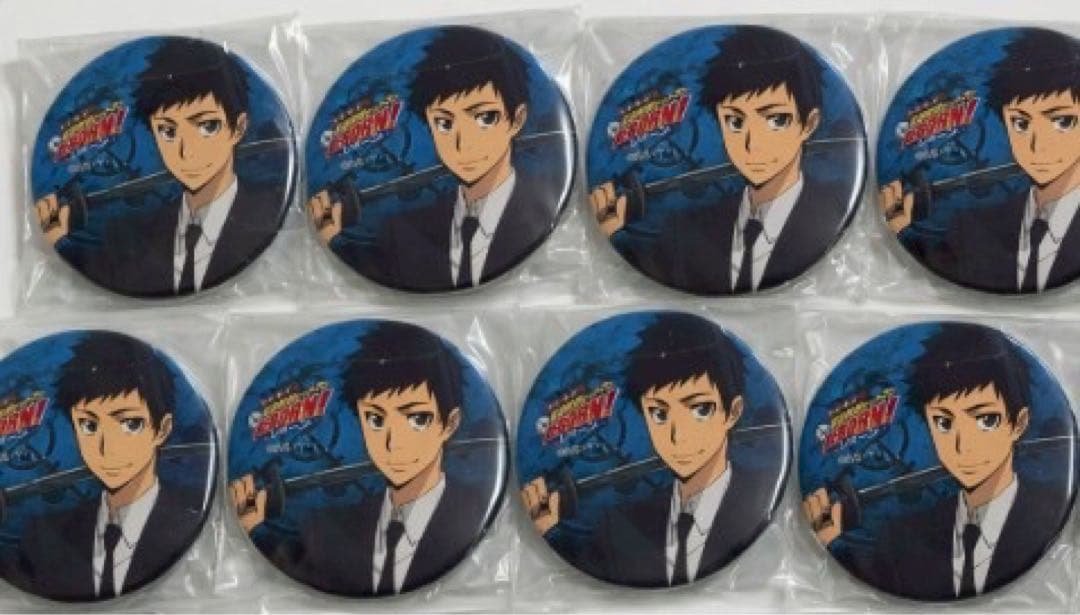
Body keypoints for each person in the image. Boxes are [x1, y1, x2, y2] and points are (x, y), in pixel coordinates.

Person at [803, 324, 1062, 600]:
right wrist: (833, 542)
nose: (963, 446)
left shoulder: (1044, 514)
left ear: (1019, 424)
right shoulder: (903, 537)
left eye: (986, 420)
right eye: (944, 423)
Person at [230, 322, 487, 596]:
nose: (392, 443)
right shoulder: (329, 530)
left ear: (450, 424)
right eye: (375, 420)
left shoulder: (471, 511)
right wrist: (252, 528)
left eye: (417, 419)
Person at [590, 26, 850, 294]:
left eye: (776, 120)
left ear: (809, 124)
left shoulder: (828, 210)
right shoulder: (688, 230)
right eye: (735, 122)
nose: (752, 144)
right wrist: (616, 233)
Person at [521, 314, 774, 587]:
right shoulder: (619, 527)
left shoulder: (756, 499)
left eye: (701, 410)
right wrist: (550, 530)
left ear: (733, 412)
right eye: (659, 414)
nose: (678, 437)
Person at [308, 26, 556, 291]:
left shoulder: (539, 205)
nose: (462, 144)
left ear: (517, 119)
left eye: (485, 118)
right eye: (444, 123)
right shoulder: (403, 232)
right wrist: (333, 238)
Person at [35, 37, 283, 297]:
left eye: (207, 126)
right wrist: (61, 239)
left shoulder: (262, 213)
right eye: (168, 131)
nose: (186, 152)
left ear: (239, 128)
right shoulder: (135, 235)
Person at [880, 30, 1080, 293]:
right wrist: (903, 230)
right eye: (1021, 124)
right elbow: (953, 265)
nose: (1037, 146)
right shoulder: (974, 228)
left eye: (1063, 121)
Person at [9, 332, 204, 600]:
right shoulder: (43, 539)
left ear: (162, 429)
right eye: (89, 425)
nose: (106, 448)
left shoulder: (186, 517)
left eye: (130, 424)